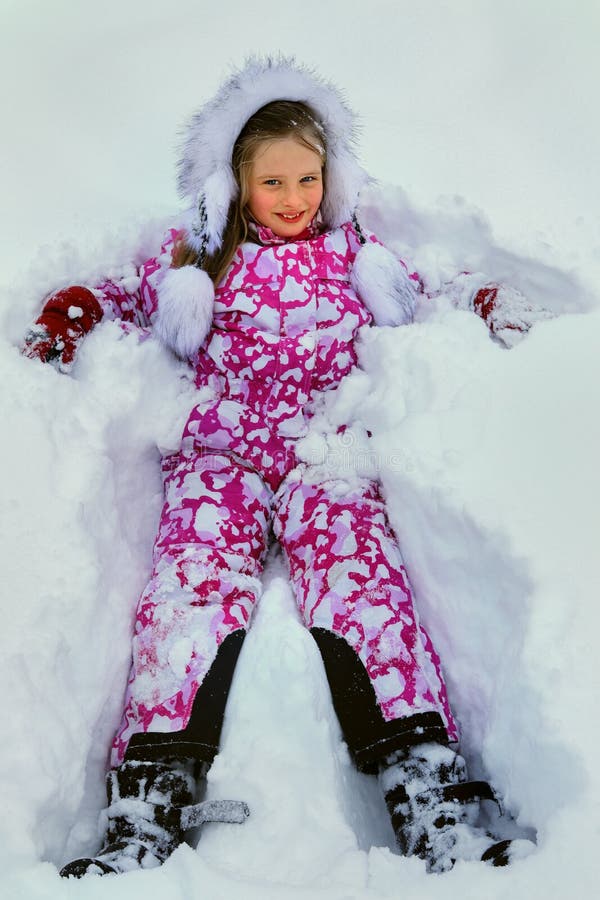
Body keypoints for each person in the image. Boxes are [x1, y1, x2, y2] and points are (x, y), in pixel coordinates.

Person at [23, 57, 541, 877]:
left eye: (308, 178)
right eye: (273, 183)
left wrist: (484, 298)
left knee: (365, 577)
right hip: (220, 455)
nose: (295, 198)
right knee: (188, 590)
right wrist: (71, 314)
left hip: (323, 451)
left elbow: (436, 277)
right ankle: (150, 795)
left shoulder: (356, 250)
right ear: (235, 184)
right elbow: (122, 288)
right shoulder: (199, 255)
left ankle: (427, 789)